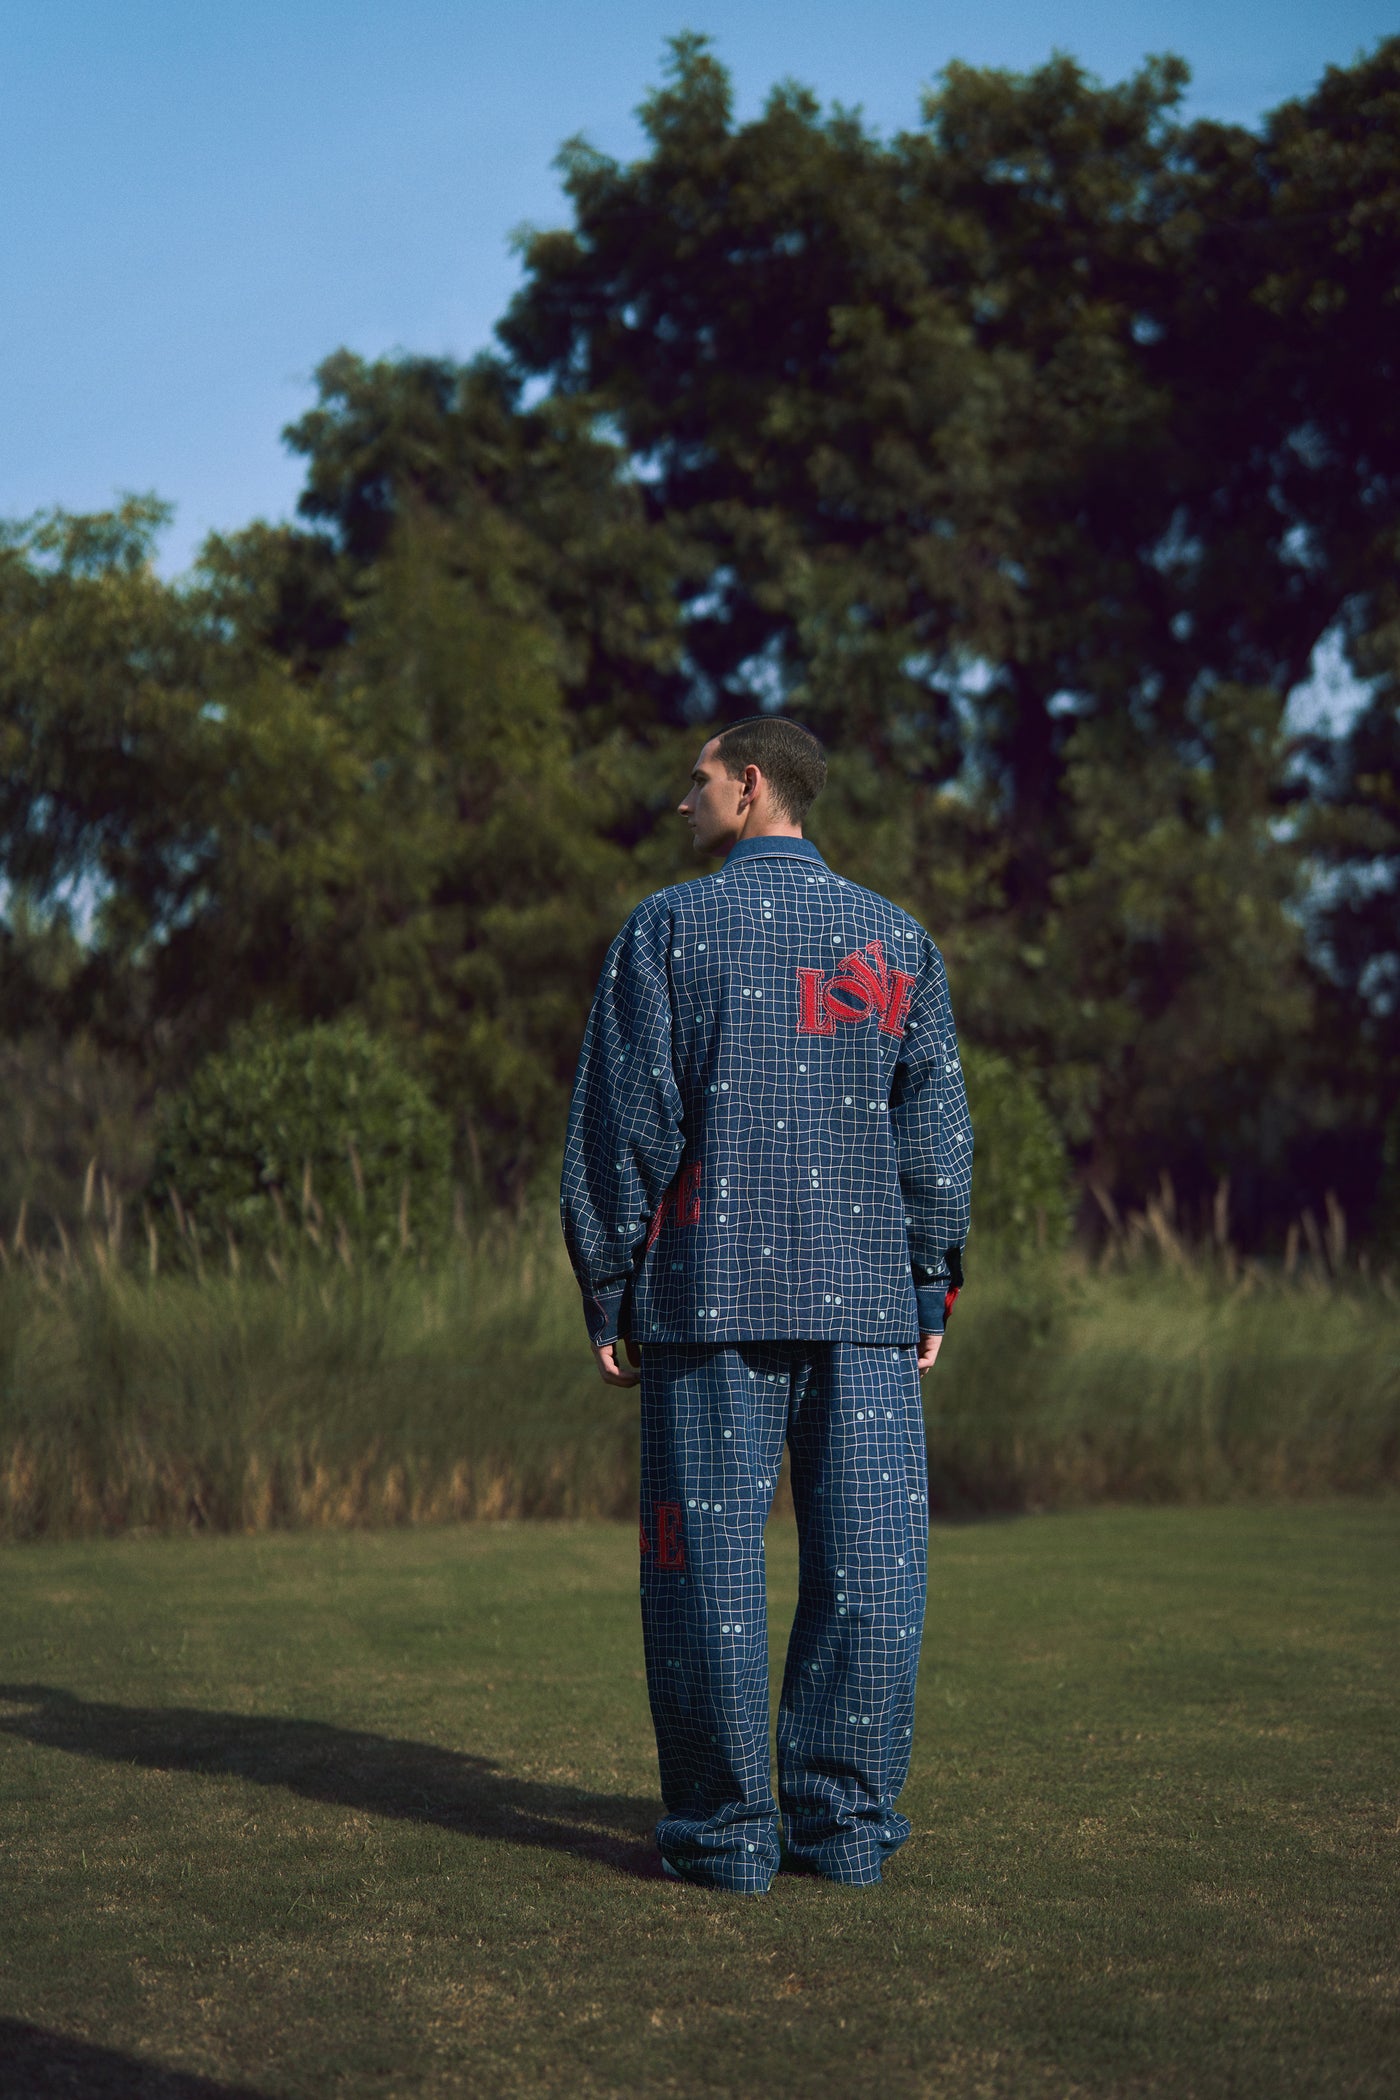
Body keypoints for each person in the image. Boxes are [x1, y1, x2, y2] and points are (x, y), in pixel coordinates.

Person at [560, 716, 972, 1891]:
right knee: (872, 1571)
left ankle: (725, 1836)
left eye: (695, 779)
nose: (681, 799)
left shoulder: (665, 931)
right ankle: (841, 1832)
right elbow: (936, 1137)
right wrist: (929, 1277)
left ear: (749, 785)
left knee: (702, 1572)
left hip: (706, 1300)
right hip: (867, 1307)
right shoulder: (897, 939)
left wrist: (606, 1282)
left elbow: (622, 1126)